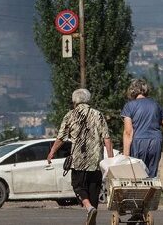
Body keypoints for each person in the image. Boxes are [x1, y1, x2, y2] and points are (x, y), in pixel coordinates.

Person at [48, 88, 113, 225]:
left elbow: (61, 138)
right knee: (93, 192)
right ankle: (92, 212)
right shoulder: (98, 115)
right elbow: (107, 138)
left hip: (78, 161)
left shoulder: (70, 115)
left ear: (74, 101)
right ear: (88, 100)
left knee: (78, 186)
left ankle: (89, 208)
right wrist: (111, 160)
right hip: (95, 162)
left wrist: (52, 152)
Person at [121, 78, 163, 178]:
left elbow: (128, 132)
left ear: (132, 91)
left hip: (138, 142)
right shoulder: (156, 105)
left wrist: (125, 157)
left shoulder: (129, 106)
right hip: (156, 142)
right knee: (151, 177)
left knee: (137, 177)